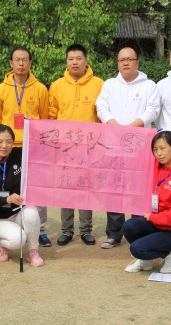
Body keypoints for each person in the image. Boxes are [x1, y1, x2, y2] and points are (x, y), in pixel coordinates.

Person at [96, 46, 160, 249]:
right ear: (117, 63)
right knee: (115, 188)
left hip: (140, 145)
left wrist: (132, 128)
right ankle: (114, 233)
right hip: (114, 144)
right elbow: (101, 107)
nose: (125, 63)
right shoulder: (109, 85)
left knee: (138, 188)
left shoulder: (149, 85)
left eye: (130, 59)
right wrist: (115, 126)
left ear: (137, 62)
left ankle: (137, 230)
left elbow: (153, 110)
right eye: (122, 60)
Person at [0, 46, 51, 247]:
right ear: (11, 63)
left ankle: (40, 229)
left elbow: (44, 118)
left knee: (37, 189)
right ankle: (9, 225)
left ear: (30, 63)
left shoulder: (40, 88)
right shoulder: (1, 89)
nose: (21, 63)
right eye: (17, 60)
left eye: (24, 60)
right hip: (9, 147)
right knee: (9, 186)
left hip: (32, 146)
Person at [49, 44, 104, 246]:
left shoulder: (99, 84)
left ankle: (86, 230)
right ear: (66, 61)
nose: (74, 62)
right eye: (71, 58)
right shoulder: (56, 86)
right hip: (65, 147)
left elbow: (103, 115)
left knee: (85, 188)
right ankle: (66, 230)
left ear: (86, 60)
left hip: (90, 146)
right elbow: (52, 116)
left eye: (78, 58)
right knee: (66, 188)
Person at [122, 131, 171, 273]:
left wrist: (153, 217)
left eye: (162, 148)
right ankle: (146, 261)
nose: (159, 154)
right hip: (155, 223)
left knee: (136, 248)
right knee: (129, 226)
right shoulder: (157, 166)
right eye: (155, 150)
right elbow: (139, 154)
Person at [0, 125, 45, 267]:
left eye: (9, 142)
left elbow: (40, 147)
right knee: (18, 239)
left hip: (17, 211)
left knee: (32, 212)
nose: (4, 146)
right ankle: (1, 242)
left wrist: (32, 126)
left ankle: (33, 251)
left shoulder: (19, 155)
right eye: (0, 142)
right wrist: (5, 199)